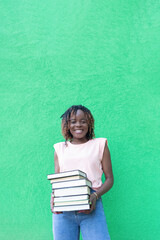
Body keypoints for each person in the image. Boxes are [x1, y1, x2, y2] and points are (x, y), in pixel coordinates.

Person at [50, 105, 114, 240]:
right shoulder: (59, 148)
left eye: (83, 121)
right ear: (67, 125)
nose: (78, 125)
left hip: (91, 204)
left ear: (89, 123)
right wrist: (53, 197)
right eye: (73, 121)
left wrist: (95, 196)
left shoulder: (100, 145)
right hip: (63, 207)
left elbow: (109, 179)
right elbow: (57, 181)